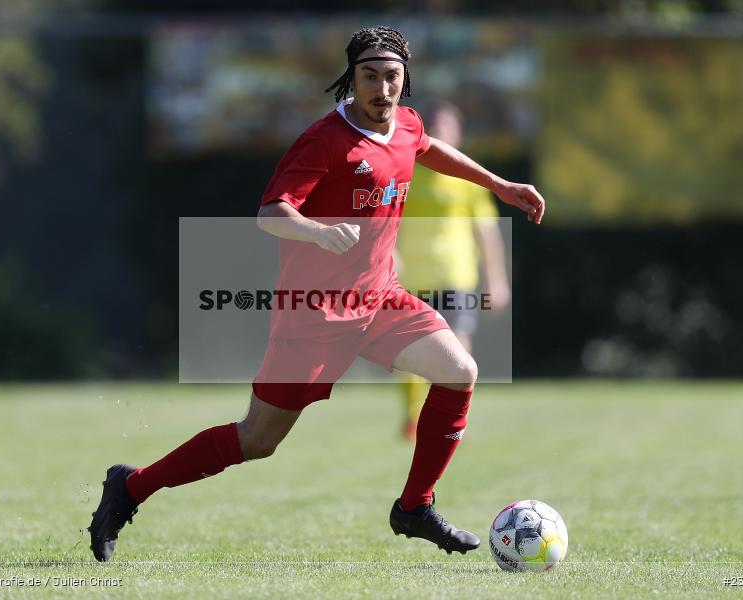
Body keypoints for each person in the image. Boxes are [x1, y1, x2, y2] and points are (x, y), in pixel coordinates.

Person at [88, 25, 545, 562]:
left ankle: (414, 508)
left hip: (378, 298)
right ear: (350, 80)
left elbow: (426, 147)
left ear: (405, 80)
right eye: (369, 76)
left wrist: (499, 186)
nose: (382, 88)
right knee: (257, 440)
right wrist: (319, 231)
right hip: (315, 313)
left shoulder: (406, 125)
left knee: (459, 371)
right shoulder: (325, 140)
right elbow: (270, 214)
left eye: (391, 76)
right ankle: (131, 486)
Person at [396, 101, 511, 441]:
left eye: (449, 126)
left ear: (458, 133)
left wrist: (498, 281)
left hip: (457, 274)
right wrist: (387, 255)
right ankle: (413, 414)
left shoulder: (468, 179)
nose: (442, 132)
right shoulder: (405, 171)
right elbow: (384, 220)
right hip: (411, 275)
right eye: (435, 125)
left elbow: (486, 233)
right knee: (409, 352)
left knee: (458, 351)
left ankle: (451, 422)